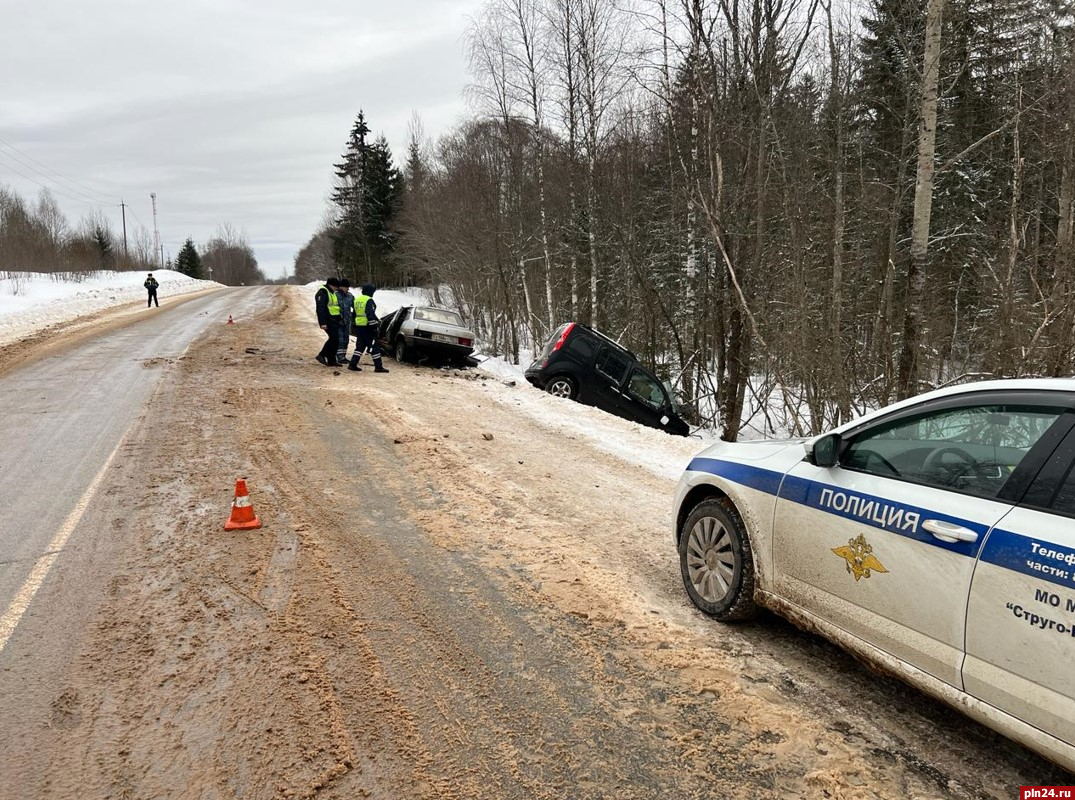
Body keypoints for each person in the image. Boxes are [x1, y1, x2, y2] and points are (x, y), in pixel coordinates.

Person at [348, 283, 389, 373]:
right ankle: (378, 367)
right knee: (374, 347)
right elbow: (370, 314)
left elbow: (354, 314)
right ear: (371, 292)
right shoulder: (369, 300)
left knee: (360, 346)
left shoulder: (357, 300)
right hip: (368, 327)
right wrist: (374, 326)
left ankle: (352, 364)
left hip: (359, 326)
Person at [314, 277, 343, 366]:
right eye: (336, 286)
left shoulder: (331, 292)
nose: (336, 288)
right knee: (334, 339)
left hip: (333, 319)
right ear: (331, 285)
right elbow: (320, 309)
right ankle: (322, 355)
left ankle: (331, 360)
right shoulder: (323, 292)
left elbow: (334, 307)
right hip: (328, 319)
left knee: (335, 340)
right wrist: (322, 323)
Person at [335, 279, 355, 366]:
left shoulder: (350, 296)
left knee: (346, 340)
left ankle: (343, 356)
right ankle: (339, 357)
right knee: (340, 340)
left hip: (347, 322)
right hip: (337, 322)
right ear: (341, 287)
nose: (348, 289)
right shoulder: (335, 295)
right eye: (346, 287)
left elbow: (355, 307)